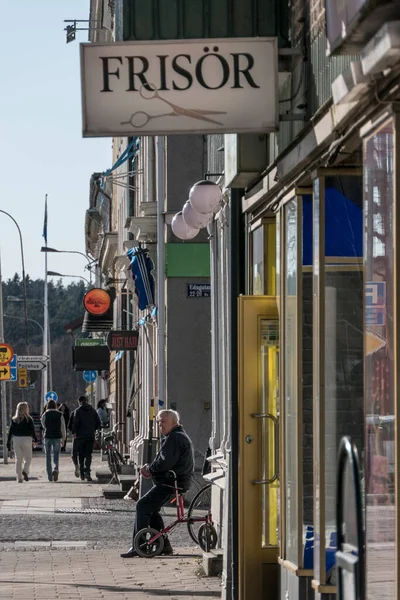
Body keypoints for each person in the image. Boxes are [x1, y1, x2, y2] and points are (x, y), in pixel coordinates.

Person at [121, 409, 194, 558]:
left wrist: (149, 468)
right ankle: (163, 545)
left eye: (163, 422)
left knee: (142, 505)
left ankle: (139, 545)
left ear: (173, 422)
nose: (160, 425)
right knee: (152, 508)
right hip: (173, 481)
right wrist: (151, 467)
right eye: (159, 422)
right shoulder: (177, 436)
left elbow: (165, 462)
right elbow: (163, 460)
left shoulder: (174, 438)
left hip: (171, 482)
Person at [71, 395, 101, 482]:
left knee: (81, 455)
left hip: (80, 437)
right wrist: (93, 429)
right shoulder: (93, 410)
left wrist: (74, 432)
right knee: (88, 455)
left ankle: (82, 473)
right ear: (87, 401)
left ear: (80, 402)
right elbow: (98, 423)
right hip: (90, 436)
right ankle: (87, 471)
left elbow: (75, 423)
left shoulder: (77, 411)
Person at [6, 402, 37, 483]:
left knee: (18, 459)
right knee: (28, 458)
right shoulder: (29, 419)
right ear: (25, 409)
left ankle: (19, 478)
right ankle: (25, 471)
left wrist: (8, 441)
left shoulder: (14, 419)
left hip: (16, 440)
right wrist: (35, 440)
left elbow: (10, 431)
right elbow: (32, 431)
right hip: (27, 439)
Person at [41, 399, 66, 482]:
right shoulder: (60, 414)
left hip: (47, 436)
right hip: (57, 436)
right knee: (56, 456)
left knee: (47, 457)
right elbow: (63, 427)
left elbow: (43, 425)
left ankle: (49, 476)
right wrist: (63, 438)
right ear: (55, 405)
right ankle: (55, 469)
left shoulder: (45, 414)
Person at [68, 410, 80, 478]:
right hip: (86, 435)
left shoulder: (74, 412)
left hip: (76, 435)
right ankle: (83, 468)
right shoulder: (91, 411)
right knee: (84, 453)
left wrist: (73, 432)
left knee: (74, 453)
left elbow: (69, 425)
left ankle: (76, 465)